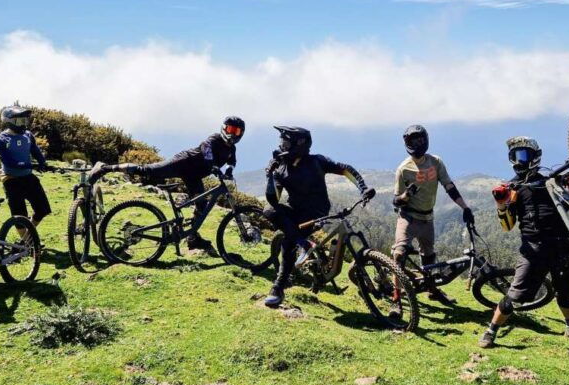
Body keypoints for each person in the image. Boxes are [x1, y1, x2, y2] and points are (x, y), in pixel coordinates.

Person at [478, 136, 569, 348]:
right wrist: (501, 205)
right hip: (533, 249)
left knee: (564, 290)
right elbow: (507, 226)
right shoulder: (513, 189)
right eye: (515, 155)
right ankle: (491, 331)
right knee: (515, 296)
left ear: (535, 156)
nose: (519, 161)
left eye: (523, 155)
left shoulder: (552, 181)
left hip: (561, 245)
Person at [92, 116, 245, 250]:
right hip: (182, 163)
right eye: (230, 129)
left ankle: (192, 238)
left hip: (194, 175)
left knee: (201, 204)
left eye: (237, 131)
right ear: (224, 128)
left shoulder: (232, 149)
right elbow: (207, 153)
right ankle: (105, 168)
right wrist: (214, 166)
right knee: (147, 170)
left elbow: (232, 162)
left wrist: (230, 171)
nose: (232, 133)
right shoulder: (214, 139)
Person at [263, 126, 375, 308]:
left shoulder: (317, 161)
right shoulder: (281, 168)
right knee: (270, 213)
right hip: (296, 212)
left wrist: (363, 188)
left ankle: (297, 252)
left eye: (286, 142)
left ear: (299, 144)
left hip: (317, 213)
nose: (281, 146)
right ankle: (280, 285)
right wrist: (270, 176)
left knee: (289, 242)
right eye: (281, 142)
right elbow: (273, 199)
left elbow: (345, 169)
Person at [391, 125, 474, 313]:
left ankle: (431, 289)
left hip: (428, 218)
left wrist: (465, 207)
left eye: (420, 139)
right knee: (399, 255)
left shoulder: (435, 162)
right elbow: (395, 201)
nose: (418, 143)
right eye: (413, 141)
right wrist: (404, 197)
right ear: (407, 144)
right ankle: (396, 297)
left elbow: (449, 186)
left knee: (428, 256)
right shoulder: (403, 169)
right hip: (408, 217)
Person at [0, 104, 52, 227]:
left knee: (43, 210)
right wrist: (31, 165)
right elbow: (10, 162)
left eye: (25, 120)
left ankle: (29, 238)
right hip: (11, 179)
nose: (23, 124)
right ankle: (27, 242)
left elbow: (35, 150)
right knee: (19, 216)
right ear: (8, 122)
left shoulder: (28, 135)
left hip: (28, 177)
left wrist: (43, 163)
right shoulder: (0, 139)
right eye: (19, 121)